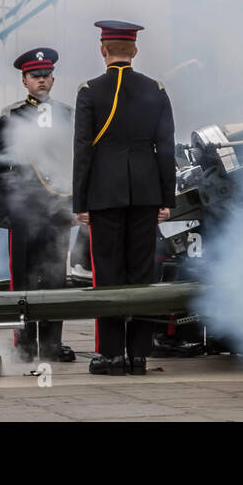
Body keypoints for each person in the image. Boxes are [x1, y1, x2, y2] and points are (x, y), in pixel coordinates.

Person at [72, 20, 174, 376]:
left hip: (104, 194)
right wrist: (167, 199)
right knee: (143, 273)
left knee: (109, 275)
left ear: (103, 50)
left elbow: (83, 151)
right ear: (135, 51)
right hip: (146, 193)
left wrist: (79, 203)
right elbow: (166, 148)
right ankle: (139, 355)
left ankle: (112, 355)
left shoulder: (89, 91)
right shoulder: (155, 89)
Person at [0, 48, 76, 363]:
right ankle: (25, 344)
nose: (41, 80)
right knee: (23, 278)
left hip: (57, 207)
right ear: (24, 80)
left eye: (46, 74)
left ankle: (51, 345)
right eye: (35, 75)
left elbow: (74, 163)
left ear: (53, 78)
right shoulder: (11, 115)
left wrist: (76, 205)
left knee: (55, 279)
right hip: (23, 208)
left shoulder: (67, 113)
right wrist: (1, 211)